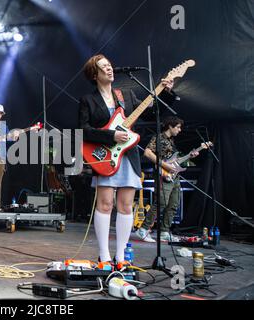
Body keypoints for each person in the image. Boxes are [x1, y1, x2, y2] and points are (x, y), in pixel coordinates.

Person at [79, 54, 175, 266]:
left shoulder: (127, 95)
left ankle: (121, 256)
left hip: (128, 157)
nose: (110, 69)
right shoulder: (88, 100)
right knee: (105, 204)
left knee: (126, 205)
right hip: (104, 156)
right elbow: (83, 131)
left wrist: (166, 92)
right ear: (95, 74)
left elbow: (153, 114)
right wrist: (111, 136)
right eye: (104, 67)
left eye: (110, 65)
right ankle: (104, 255)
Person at [135, 116, 199, 242]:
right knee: (161, 202)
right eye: (178, 127)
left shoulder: (171, 141)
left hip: (174, 176)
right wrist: (165, 166)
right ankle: (142, 229)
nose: (180, 130)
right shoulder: (159, 138)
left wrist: (189, 156)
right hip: (163, 174)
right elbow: (147, 153)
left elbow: (175, 161)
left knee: (174, 204)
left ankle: (164, 231)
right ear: (170, 126)